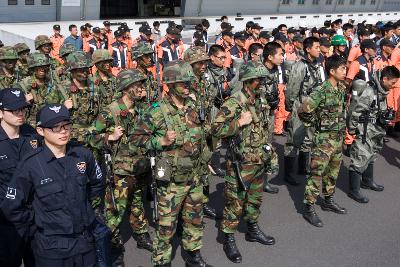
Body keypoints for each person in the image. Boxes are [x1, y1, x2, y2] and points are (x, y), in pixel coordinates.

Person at [1, 104, 108, 267]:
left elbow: (97, 184)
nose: (63, 131)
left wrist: (85, 209)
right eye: (55, 127)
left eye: (66, 125)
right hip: (52, 249)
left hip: (84, 243)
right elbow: (12, 206)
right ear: (40, 131)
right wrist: (36, 220)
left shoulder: (82, 155)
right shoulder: (31, 164)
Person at [131, 61, 208, 267]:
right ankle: (161, 261)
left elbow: (204, 135)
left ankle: (193, 255)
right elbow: (136, 139)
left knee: (194, 220)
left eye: (188, 82)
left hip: (194, 175)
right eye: (182, 83)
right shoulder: (156, 111)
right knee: (166, 227)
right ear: (171, 84)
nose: (187, 86)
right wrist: (160, 141)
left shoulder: (193, 106)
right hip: (170, 180)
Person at [86, 69, 153, 266]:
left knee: (138, 203)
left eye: (141, 84)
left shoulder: (143, 108)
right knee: (115, 210)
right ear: (125, 88)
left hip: (141, 167)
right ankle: (113, 246)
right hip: (121, 172)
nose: (141, 88)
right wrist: (109, 137)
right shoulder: (111, 111)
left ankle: (141, 235)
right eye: (137, 85)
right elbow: (89, 136)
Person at [212, 61, 276, 264]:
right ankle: (228, 238)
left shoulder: (260, 100)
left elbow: (264, 130)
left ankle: (252, 229)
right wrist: (239, 122)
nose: (263, 83)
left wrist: (270, 154)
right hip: (240, 164)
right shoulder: (234, 102)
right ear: (248, 81)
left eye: (263, 79)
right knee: (235, 203)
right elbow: (215, 129)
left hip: (259, 161)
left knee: (255, 200)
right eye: (259, 80)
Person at [297, 55, 348, 227]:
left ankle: (328, 200)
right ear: (332, 71)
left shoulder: (341, 87)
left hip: (337, 138)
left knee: (332, 172)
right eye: (342, 68)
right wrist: (313, 123)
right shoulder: (321, 90)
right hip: (323, 140)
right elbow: (304, 110)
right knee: (316, 174)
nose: (345, 71)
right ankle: (309, 207)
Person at [347, 66, 400, 203]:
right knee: (359, 157)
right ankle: (354, 190)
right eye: (392, 83)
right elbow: (355, 111)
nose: (394, 86)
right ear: (384, 79)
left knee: (372, 155)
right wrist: (352, 130)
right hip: (365, 130)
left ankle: (367, 181)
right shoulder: (369, 91)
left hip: (376, 129)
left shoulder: (381, 91)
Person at [0, 88, 37, 267]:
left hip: (35, 217)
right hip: (8, 223)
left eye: (22, 108)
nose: (20, 113)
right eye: (14, 110)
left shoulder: (32, 134)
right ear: (1, 112)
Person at [284, 37, 326, 185]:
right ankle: (288, 173)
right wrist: (291, 107)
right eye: (316, 47)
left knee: (308, 138)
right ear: (308, 49)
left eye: (319, 47)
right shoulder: (300, 66)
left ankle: (303, 167)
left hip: (313, 105)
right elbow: (291, 90)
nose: (319, 49)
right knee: (294, 139)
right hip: (300, 104)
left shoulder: (317, 65)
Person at [46, 51, 103, 143]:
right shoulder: (61, 88)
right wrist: (62, 107)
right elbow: (48, 112)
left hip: (91, 136)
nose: (85, 73)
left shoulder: (95, 88)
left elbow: (102, 112)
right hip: (69, 138)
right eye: (80, 70)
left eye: (86, 69)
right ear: (72, 70)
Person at [261, 42, 283, 194]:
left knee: (267, 145)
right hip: (257, 115)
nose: (282, 57)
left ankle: (264, 181)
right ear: (270, 56)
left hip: (269, 114)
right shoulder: (257, 71)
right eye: (280, 54)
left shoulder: (275, 70)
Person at [16, 52, 54, 126]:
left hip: (49, 118)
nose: (42, 69)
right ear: (32, 68)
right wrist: (24, 100)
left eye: (44, 66)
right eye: (39, 67)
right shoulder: (24, 84)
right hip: (31, 121)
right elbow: (14, 106)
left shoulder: (51, 82)